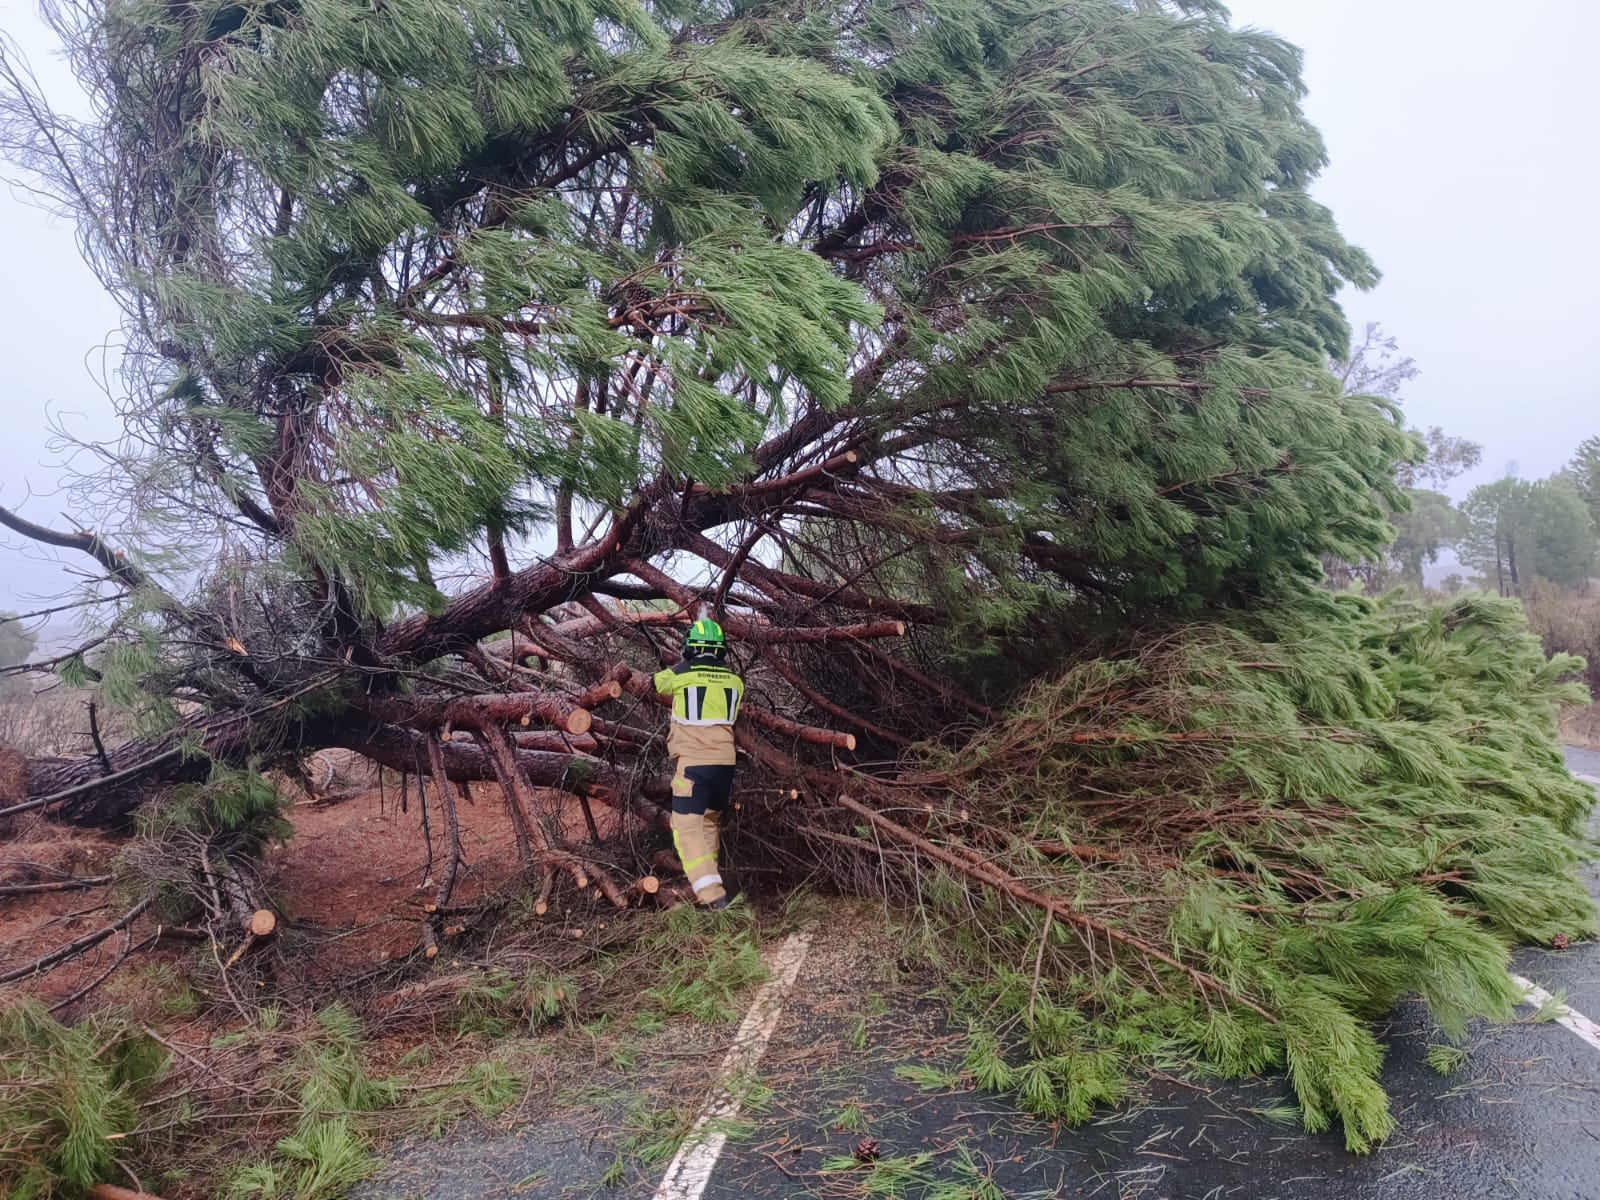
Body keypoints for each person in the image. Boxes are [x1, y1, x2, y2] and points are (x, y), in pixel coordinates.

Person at [653, 618, 744, 908]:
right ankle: (711, 884)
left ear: (690, 647)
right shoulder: (735, 682)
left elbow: (657, 683)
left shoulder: (682, 674)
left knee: (685, 826)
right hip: (724, 765)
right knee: (708, 822)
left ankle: (713, 896)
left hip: (694, 765)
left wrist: (682, 664)